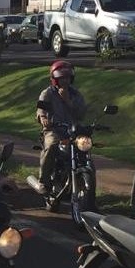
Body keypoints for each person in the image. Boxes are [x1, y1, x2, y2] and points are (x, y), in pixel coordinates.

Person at [35, 60, 86, 194]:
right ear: (54, 79)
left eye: (67, 77)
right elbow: (40, 110)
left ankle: (87, 184)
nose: (65, 81)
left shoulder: (76, 94)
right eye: (61, 78)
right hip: (54, 130)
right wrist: (43, 118)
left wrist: (67, 100)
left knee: (84, 148)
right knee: (51, 145)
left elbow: (81, 114)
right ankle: (43, 181)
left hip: (72, 131)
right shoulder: (47, 93)